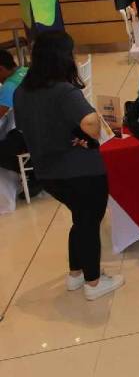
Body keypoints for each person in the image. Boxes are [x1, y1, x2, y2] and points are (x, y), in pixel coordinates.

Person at [13, 32, 124, 300]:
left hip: (47, 172)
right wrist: (91, 132)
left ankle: (75, 274)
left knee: (79, 219)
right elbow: (91, 122)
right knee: (89, 222)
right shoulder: (63, 91)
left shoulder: (21, 92)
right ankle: (94, 283)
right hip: (81, 171)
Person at [0, 50, 38, 194]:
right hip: (47, 125)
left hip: (31, 133)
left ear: (1, 69)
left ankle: (34, 175)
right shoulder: (25, 70)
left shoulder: (9, 86)